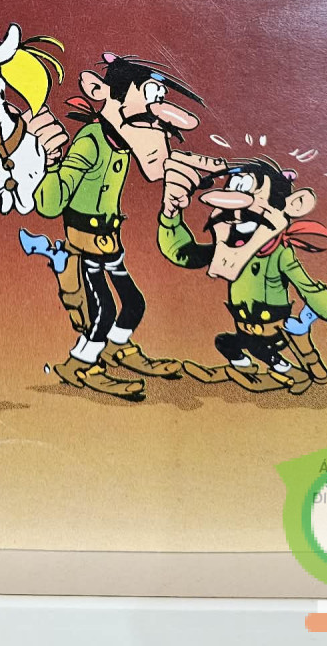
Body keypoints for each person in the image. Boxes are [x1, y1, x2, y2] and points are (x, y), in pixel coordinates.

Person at [31, 52, 204, 401]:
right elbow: (50, 204)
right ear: (106, 93)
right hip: (84, 243)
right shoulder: (91, 141)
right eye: (149, 96)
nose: (155, 113)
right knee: (103, 309)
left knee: (134, 303)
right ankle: (79, 363)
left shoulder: (122, 145)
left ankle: (116, 348)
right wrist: (49, 164)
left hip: (110, 241)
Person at [158, 154, 327, 393]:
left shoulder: (279, 254)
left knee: (261, 350)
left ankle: (292, 373)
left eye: (248, 194)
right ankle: (245, 368)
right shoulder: (227, 249)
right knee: (225, 343)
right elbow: (183, 254)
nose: (234, 210)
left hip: (271, 327)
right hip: (244, 324)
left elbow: (309, 288)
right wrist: (170, 218)